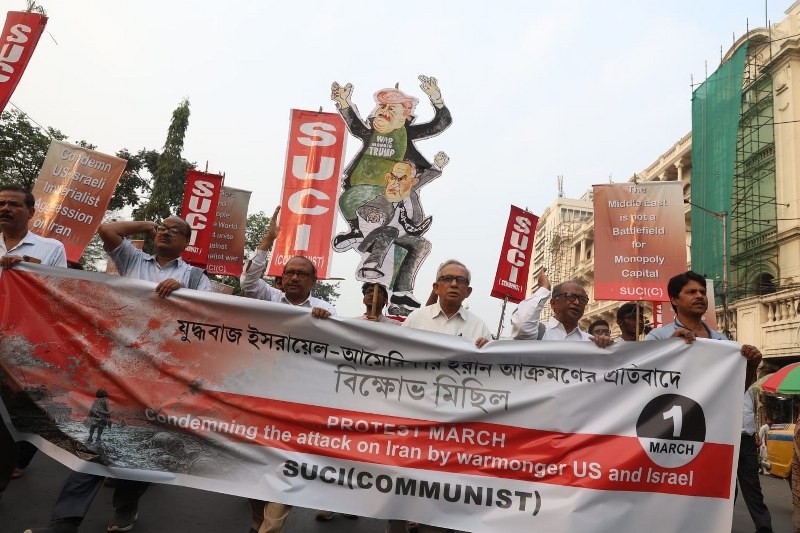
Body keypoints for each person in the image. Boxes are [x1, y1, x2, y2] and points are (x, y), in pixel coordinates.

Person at [25, 215, 211, 533]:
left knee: (144, 447)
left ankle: (127, 502)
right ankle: (65, 521)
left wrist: (185, 294)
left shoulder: (195, 277)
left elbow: (208, 316)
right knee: (99, 440)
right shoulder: (132, 258)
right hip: (120, 367)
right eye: (162, 229)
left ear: (186, 241)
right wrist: (145, 225)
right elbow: (107, 230)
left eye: (174, 231)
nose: (165, 234)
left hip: (164, 374)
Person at [645, 271, 769, 533]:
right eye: (692, 292)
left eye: (702, 292)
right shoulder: (658, 337)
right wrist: (670, 348)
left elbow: (735, 391)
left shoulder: (724, 343)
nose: (700, 296)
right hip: (678, 435)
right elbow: (647, 382)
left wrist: (751, 366)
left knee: (718, 497)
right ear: (674, 300)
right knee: (678, 494)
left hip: (718, 434)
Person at [240, 206, 335, 533]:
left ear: (313, 281)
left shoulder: (327, 310)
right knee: (254, 468)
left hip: (301, 404)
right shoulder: (268, 297)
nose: (294, 277)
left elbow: (341, 347)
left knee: (289, 467)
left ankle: (269, 527)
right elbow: (248, 281)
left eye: (302, 273)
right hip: (259, 397)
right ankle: (258, 517)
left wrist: (326, 326)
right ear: (281, 278)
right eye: (289, 272)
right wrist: (267, 240)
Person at [387, 259, 490, 533]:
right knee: (403, 479)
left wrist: (488, 351)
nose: (454, 284)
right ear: (436, 286)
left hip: (454, 421)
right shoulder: (415, 320)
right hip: (414, 414)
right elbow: (397, 359)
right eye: (447, 279)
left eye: (461, 281)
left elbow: (489, 375)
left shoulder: (480, 329)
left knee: (441, 483)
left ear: (469, 291)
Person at [331, 75, 452, 254]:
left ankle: (377, 235)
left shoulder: (407, 134)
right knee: (346, 200)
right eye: (383, 107)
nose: (385, 111)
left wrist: (436, 99)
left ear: (403, 117)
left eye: (392, 109)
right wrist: (343, 102)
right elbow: (355, 125)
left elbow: (439, 124)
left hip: (390, 190)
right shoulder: (371, 132)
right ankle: (357, 231)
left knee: (380, 209)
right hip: (358, 187)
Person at [0, 184, 67, 499]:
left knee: (23, 409)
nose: (5, 209)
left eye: (13, 204)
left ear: (30, 212)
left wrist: (33, 272)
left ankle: (14, 457)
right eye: (1, 203)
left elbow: (63, 292)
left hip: (23, 344)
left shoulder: (50, 248)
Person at [356, 153, 448, 313]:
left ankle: (402, 292)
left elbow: (425, 177)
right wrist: (372, 215)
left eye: (401, 179)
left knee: (422, 243)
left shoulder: (411, 193)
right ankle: (371, 265)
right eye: (392, 177)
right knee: (391, 230)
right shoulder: (383, 198)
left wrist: (437, 166)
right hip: (376, 239)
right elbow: (365, 209)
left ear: (413, 182)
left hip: (401, 238)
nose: (395, 183)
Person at [510, 268, 613, 348]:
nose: (577, 302)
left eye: (582, 299)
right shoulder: (538, 332)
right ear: (553, 303)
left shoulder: (590, 342)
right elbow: (521, 324)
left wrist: (606, 346)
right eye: (570, 296)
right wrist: (544, 289)